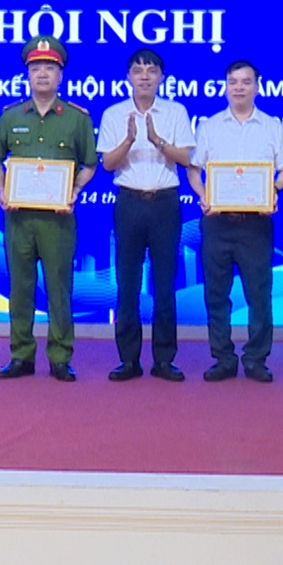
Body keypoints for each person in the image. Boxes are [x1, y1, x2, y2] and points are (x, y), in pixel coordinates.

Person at [0, 36, 99, 382]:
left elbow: (90, 164)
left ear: (60, 75)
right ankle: (20, 355)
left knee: (59, 289)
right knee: (20, 288)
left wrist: (75, 190)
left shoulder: (77, 118)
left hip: (58, 220)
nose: (42, 74)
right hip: (19, 218)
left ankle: (60, 356)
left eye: (49, 68)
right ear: (27, 74)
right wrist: (3, 189)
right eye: (36, 68)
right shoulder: (10, 116)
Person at [187, 60, 283, 383]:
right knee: (216, 294)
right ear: (225, 86)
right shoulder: (210, 126)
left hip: (255, 224)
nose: (239, 87)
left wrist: (273, 190)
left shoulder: (272, 126)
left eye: (246, 82)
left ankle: (256, 359)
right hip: (217, 222)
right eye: (233, 82)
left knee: (258, 294)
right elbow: (194, 169)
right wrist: (203, 194)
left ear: (257, 87)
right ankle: (223, 358)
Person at [96, 47, 195, 382]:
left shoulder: (176, 111)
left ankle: (164, 360)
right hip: (129, 202)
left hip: (165, 203)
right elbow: (108, 164)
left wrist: (157, 140)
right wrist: (128, 141)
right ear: (128, 77)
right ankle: (128, 360)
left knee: (165, 284)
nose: (145, 77)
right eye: (138, 71)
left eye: (152, 71)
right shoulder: (114, 114)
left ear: (161, 77)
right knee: (128, 284)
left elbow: (186, 159)